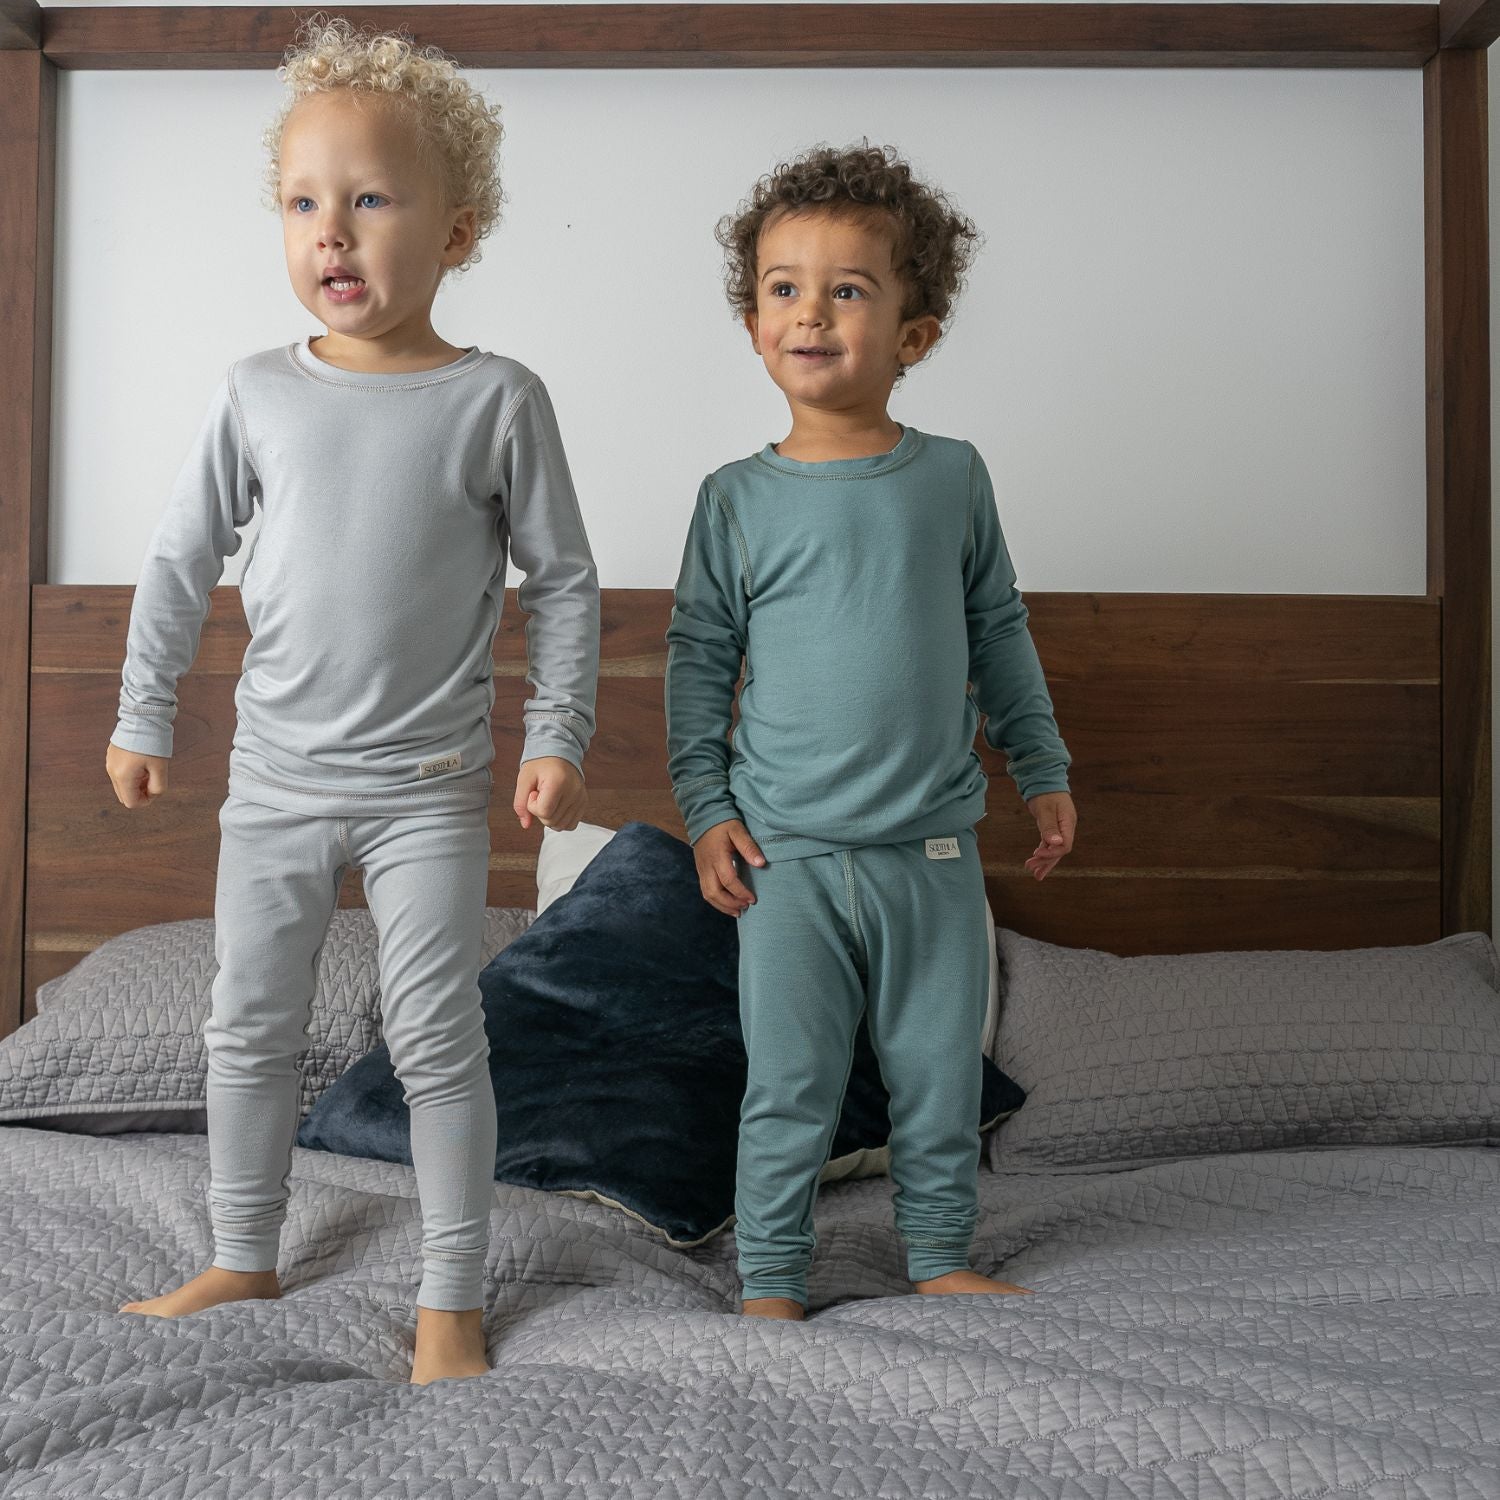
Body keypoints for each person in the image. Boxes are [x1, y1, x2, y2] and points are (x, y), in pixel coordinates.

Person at [104, 14, 599, 1383]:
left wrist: (557, 737)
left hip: (428, 787)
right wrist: (144, 714)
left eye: (372, 199)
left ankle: (451, 1297)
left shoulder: (498, 400)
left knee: (438, 1029)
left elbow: (564, 581)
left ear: (460, 225)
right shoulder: (255, 394)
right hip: (274, 782)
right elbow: (177, 560)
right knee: (247, 1020)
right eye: (305, 202)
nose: (335, 231)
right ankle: (241, 1252)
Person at [665, 141, 1078, 1321]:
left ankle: (940, 1253)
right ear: (753, 323)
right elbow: (698, 665)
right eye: (784, 287)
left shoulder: (951, 479)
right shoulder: (735, 500)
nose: (812, 312)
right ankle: (773, 1281)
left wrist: (1041, 767)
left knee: (937, 1079)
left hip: (934, 856)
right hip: (787, 859)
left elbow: (999, 631)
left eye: (849, 288)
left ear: (916, 331)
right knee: (787, 1083)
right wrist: (709, 812)